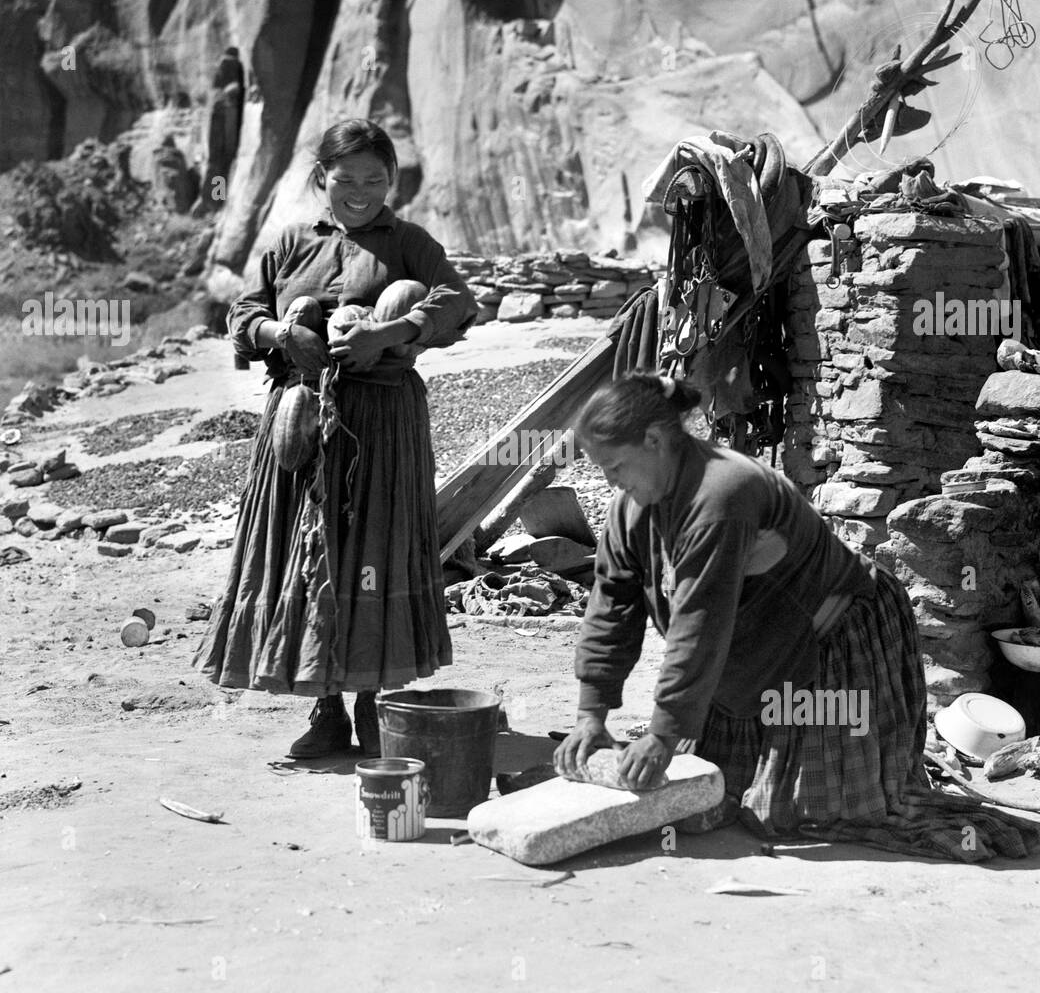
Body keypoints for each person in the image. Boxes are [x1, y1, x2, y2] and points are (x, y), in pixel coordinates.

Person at [554, 370, 1040, 862]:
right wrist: (589, 715)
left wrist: (662, 735)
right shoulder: (629, 509)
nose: (610, 481)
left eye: (615, 466)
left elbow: (699, 627)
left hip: (834, 633)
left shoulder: (723, 494)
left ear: (655, 439)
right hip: (754, 646)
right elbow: (612, 605)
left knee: (803, 812)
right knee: (718, 793)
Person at [194, 119, 477, 757]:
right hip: (300, 419)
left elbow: (459, 303)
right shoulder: (290, 241)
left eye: (374, 180)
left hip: (382, 420)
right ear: (322, 178)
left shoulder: (410, 243)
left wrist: (393, 331)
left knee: (372, 547)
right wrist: (279, 336)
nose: (359, 191)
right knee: (309, 550)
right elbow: (243, 314)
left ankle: (374, 704)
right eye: (345, 179)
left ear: (391, 182)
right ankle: (326, 710)